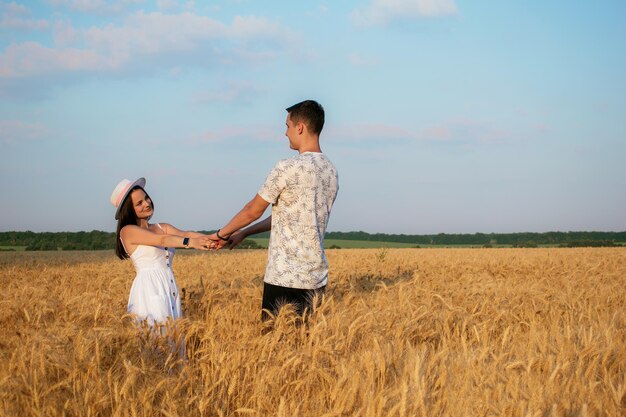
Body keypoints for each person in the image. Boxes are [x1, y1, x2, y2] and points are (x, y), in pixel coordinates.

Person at [209, 100, 339, 322]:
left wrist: (221, 234)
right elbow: (287, 216)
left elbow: (253, 210)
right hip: (315, 277)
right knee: (305, 348)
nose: (285, 133)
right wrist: (243, 233)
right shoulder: (331, 172)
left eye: (287, 126)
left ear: (300, 127)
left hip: (284, 277)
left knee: (275, 346)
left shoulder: (287, 167)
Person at [110, 177, 214, 329]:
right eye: (139, 203)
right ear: (129, 209)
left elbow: (186, 234)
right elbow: (162, 240)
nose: (146, 203)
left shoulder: (161, 226)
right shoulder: (128, 231)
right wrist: (190, 244)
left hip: (169, 285)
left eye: (146, 198)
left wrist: (217, 238)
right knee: (155, 337)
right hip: (149, 288)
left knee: (173, 334)